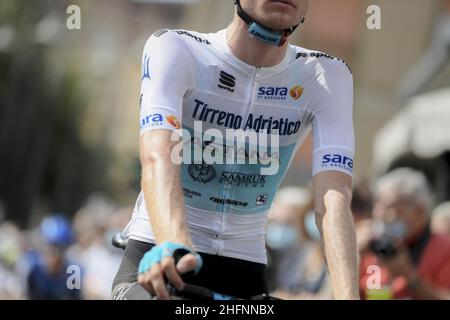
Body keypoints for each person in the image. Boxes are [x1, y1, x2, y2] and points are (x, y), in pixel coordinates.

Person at [113, 0, 358, 300]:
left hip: (244, 271)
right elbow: (158, 157)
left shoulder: (326, 76)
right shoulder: (176, 49)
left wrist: (348, 295)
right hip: (161, 251)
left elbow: (332, 201)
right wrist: (173, 245)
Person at [359, 168, 450, 299]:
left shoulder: (444, 249)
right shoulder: (370, 245)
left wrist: (409, 277)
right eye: (377, 205)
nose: (380, 215)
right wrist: (354, 257)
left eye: (388, 207)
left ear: (419, 211)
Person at [266, 187, 332, 299]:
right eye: (279, 221)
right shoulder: (292, 254)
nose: (282, 227)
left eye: (289, 222)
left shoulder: (331, 256)